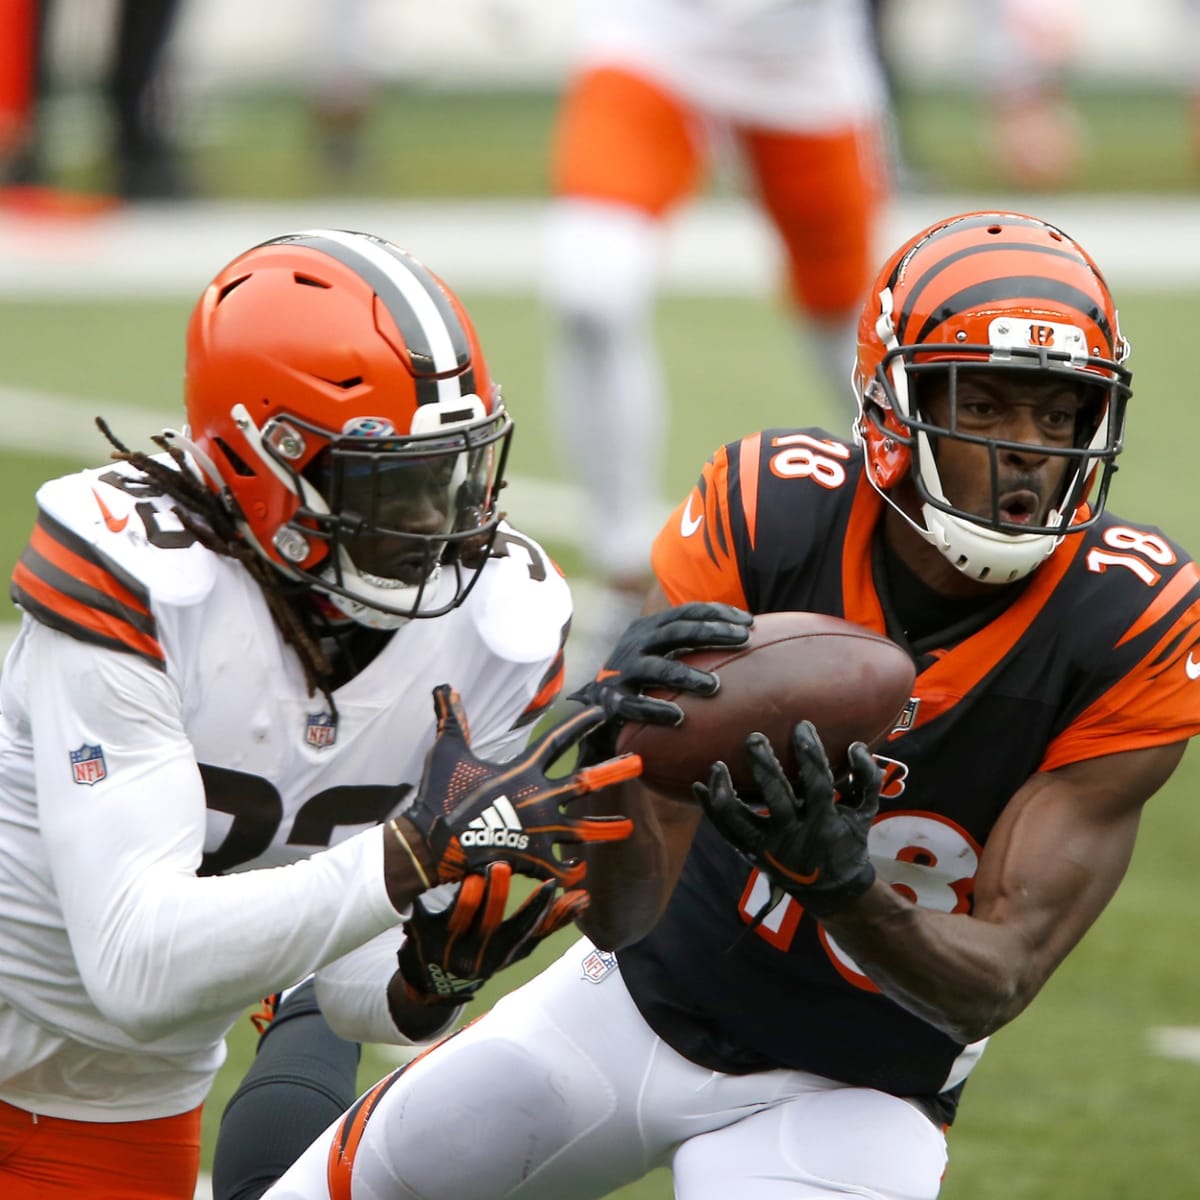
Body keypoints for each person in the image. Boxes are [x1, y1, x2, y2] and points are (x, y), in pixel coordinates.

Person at [250, 210, 1200, 1200]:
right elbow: (621, 918)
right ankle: (304, 1032)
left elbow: (999, 977)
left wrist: (842, 887)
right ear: (893, 405)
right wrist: (624, 738)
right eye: (990, 407)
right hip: (637, 1000)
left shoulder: (1128, 618)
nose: (1028, 454)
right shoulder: (771, 513)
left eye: (1059, 417)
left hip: (860, 1091)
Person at [0, 227, 666, 1200]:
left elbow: (346, 985)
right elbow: (135, 962)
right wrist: (406, 861)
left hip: (119, 1100)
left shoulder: (497, 626)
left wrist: (425, 981)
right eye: (391, 484)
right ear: (260, 462)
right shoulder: (145, 580)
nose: (438, 524)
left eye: (450, 474)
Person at [543, 0, 892, 647]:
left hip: (803, 61)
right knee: (591, 289)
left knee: (855, 334)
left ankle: (941, 525)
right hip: (658, 37)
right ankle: (626, 581)